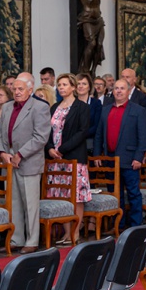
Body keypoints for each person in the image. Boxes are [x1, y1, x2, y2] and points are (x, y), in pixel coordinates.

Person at [0, 73, 52, 254]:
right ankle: (17, 238)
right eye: (14, 89)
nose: (17, 92)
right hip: (9, 161)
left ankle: (32, 240)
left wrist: (20, 154)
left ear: (30, 90)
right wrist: (2, 153)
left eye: (21, 89)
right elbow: (0, 134)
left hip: (28, 161)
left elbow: (41, 137)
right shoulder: (7, 107)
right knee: (14, 203)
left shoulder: (40, 107)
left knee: (30, 204)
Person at [94, 79, 146, 229]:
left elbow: (143, 136)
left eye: (122, 88)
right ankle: (119, 225)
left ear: (129, 91)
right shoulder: (106, 109)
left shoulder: (138, 110)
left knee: (133, 193)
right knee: (115, 194)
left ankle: (136, 226)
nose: (118, 91)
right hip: (110, 159)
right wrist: (97, 155)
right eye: (116, 88)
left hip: (130, 159)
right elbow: (99, 134)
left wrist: (138, 157)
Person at [46, 73, 92, 242]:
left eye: (65, 84)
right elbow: (47, 131)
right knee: (62, 195)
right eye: (59, 85)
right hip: (56, 159)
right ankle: (66, 232)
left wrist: (62, 149)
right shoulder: (54, 107)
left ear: (73, 87)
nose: (61, 87)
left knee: (76, 196)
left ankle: (75, 232)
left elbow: (82, 132)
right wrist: (50, 148)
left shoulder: (82, 107)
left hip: (74, 157)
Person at [75, 72, 102, 153]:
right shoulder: (71, 103)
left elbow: (97, 126)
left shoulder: (96, 103)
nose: (81, 86)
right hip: (72, 144)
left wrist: (80, 135)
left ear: (89, 87)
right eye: (78, 84)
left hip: (89, 144)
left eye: (84, 84)